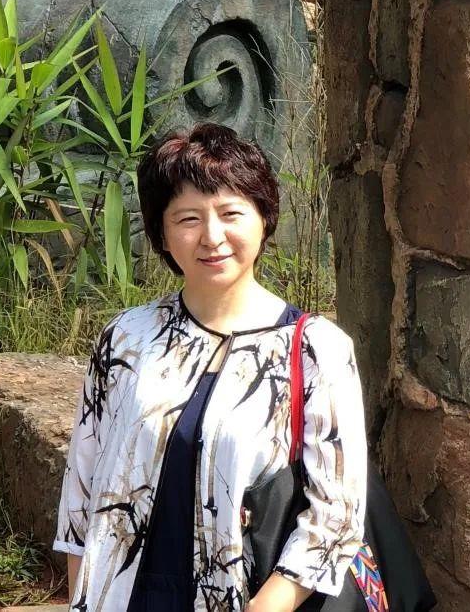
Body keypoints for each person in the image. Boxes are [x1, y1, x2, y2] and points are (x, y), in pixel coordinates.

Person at [52, 123, 367, 611]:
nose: (212, 236)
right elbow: (83, 488)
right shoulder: (127, 338)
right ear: (162, 234)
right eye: (188, 218)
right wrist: (83, 598)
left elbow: (336, 514)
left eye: (230, 213)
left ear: (263, 218)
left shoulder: (316, 348)